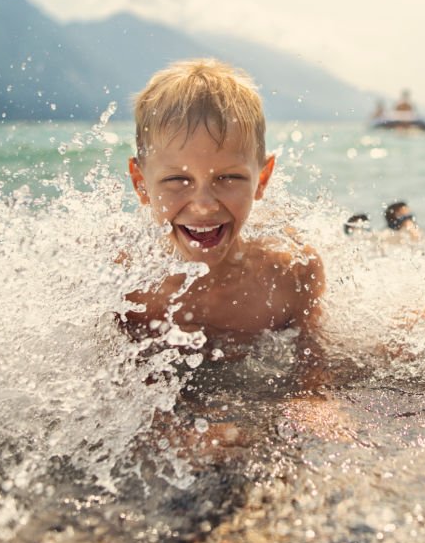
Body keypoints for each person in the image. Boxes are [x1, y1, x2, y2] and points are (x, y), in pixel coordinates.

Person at [122, 59, 327, 388]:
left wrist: (312, 398)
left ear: (262, 179)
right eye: (177, 180)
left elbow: (312, 362)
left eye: (229, 178)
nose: (204, 205)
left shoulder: (290, 274)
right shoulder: (126, 284)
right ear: (141, 184)